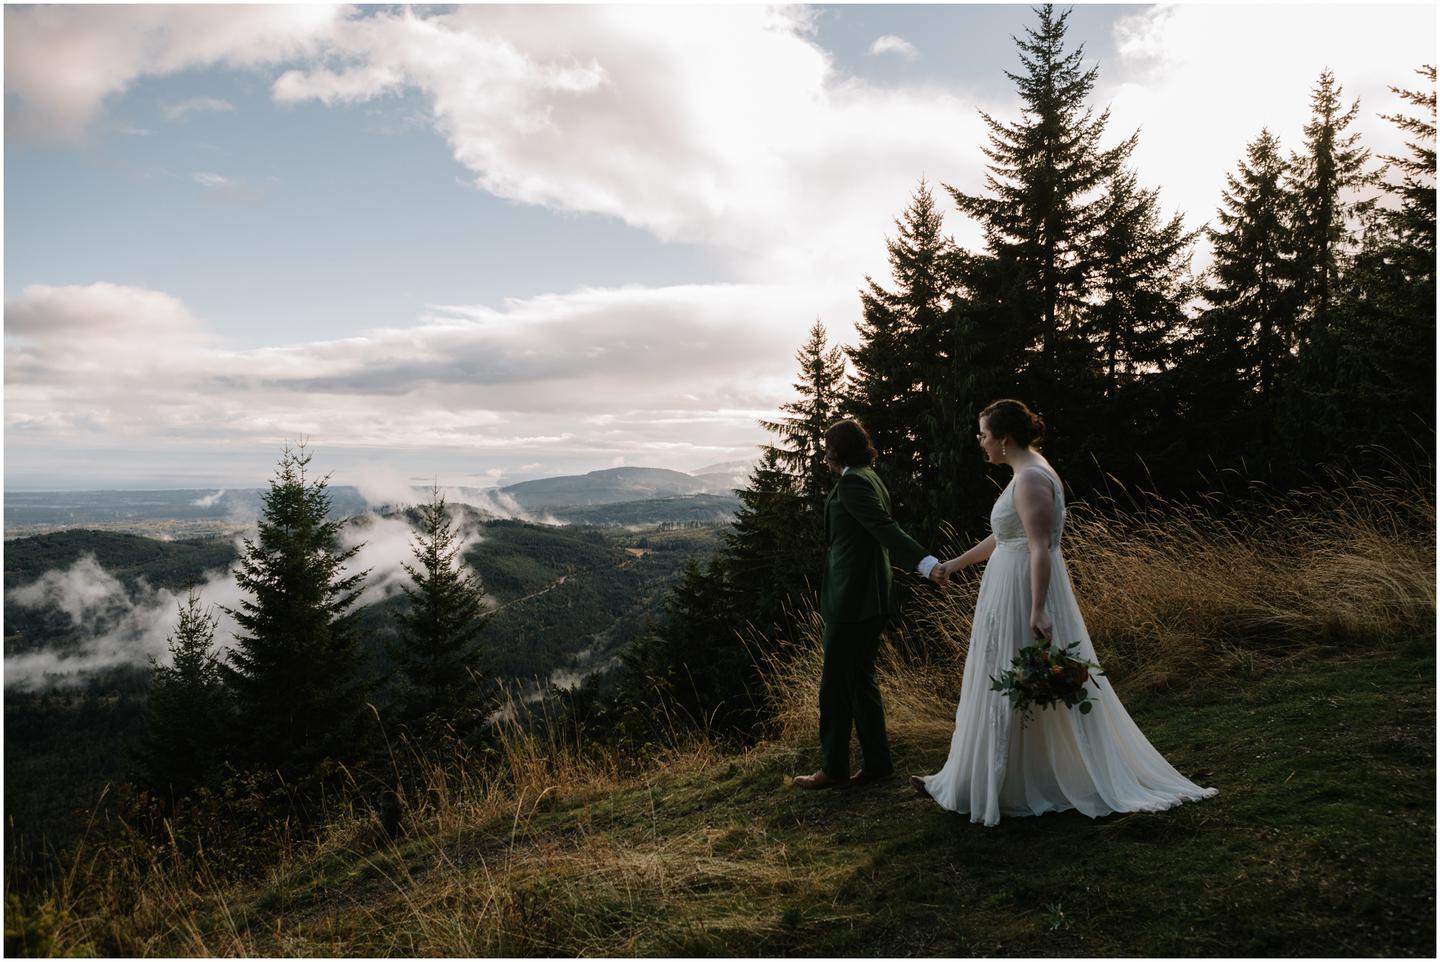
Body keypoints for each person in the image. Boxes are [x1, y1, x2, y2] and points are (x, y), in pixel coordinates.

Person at [913, 399, 1217, 824]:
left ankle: (1001, 782)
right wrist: (955, 565)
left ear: (1002, 438)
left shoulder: (1032, 478)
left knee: (1016, 676)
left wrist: (1037, 609)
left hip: (1022, 591)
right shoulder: (1027, 471)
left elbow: (1038, 547)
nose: (980, 442)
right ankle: (978, 776)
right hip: (1008, 584)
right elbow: (1005, 536)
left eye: (983, 435)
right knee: (1004, 678)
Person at [793, 419, 944, 790]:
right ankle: (877, 763)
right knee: (862, 680)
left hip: (852, 599)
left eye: (827, 446)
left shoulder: (854, 482)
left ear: (835, 450)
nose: (824, 453)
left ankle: (834, 768)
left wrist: (926, 564)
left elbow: (885, 528)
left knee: (834, 687)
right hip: (871, 595)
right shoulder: (868, 475)